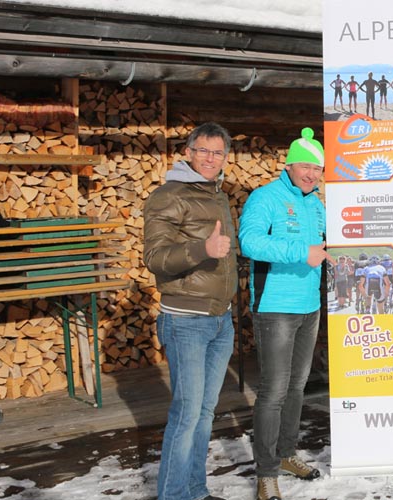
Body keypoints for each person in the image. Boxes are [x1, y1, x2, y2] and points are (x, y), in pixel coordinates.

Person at [143, 122, 237, 500]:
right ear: (188, 152)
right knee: (186, 415)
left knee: (204, 413)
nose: (210, 158)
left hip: (220, 319)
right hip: (186, 321)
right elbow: (155, 258)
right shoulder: (169, 195)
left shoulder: (217, 194)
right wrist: (203, 250)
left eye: (218, 152)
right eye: (203, 150)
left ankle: (195, 491)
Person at [239, 127, 329, 500]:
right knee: (273, 391)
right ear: (289, 165)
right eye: (305, 166)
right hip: (275, 307)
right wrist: (301, 252)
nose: (311, 174)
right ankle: (266, 472)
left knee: (296, 387)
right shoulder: (266, 198)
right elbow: (249, 241)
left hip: (310, 307)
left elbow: (321, 246)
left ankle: (287, 453)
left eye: (317, 168)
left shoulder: (317, 204)